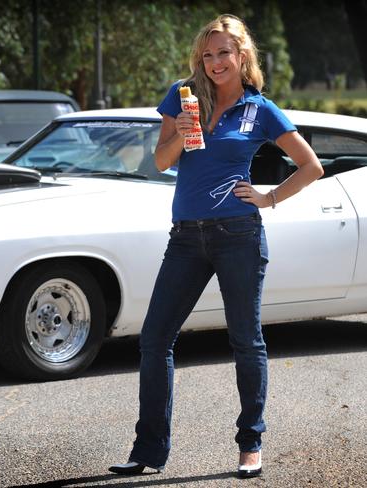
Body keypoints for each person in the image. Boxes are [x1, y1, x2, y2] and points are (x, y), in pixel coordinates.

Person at [109, 14, 324, 479]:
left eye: (223, 53)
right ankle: (148, 450)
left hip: (238, 236)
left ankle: (250, 444)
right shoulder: (182, 95)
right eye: (207, 55)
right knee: (154, 339)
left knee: (246, 341)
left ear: (241, 55)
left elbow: (311, 166)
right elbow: (163, 161)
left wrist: (269, 197)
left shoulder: (259, 108)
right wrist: (184, 126)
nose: (214, 63)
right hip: (185, 236)